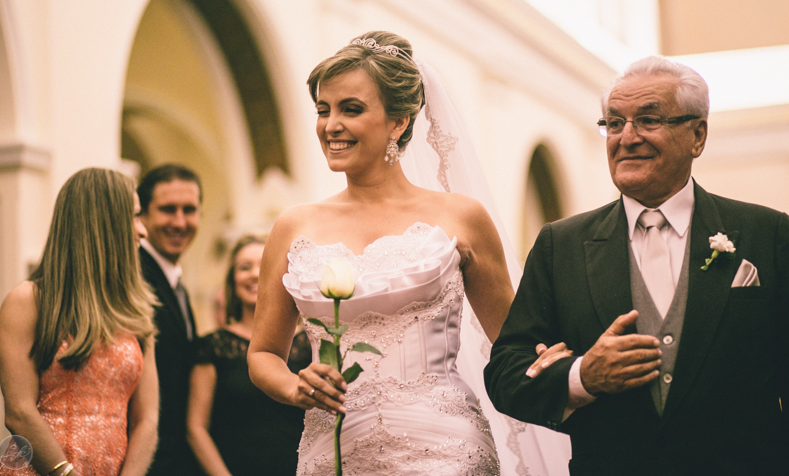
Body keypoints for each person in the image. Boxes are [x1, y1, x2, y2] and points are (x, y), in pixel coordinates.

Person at [247, 31, 569, 476]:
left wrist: (573, 368)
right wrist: (294, 386)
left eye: (351, 109)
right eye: (323, 110)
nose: (330, 125)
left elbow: (513, 344)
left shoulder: (461, 216)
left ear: (399, 121)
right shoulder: (294, 226)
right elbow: (263, 354)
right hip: (333, 449)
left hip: (445, 450)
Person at [485, 56, 789, 476]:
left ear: (697, 134)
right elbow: (505, 374)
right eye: (613, 123)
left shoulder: (769, 235)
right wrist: (582, 376)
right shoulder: (562, 245)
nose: (626, 138)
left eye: (647, 120)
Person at [0, 167, 159, 476]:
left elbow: (147, 419)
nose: (143, 231)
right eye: (134, 217)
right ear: (103, 223)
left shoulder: (136, 312)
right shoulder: (28, 301)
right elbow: (19, 413)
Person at [187, 234, 311, 476]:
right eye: (245, 267)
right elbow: (196, 428)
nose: (255, 273)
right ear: (232, 281)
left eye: (264, 265)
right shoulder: (213, 346)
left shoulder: (310, 342)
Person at [137, 164, 203, 476]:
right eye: (167, 209)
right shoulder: (134, 275)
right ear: (143, 215)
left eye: (189, 210)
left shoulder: (175, 282)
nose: (180, 221)